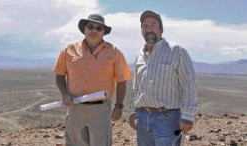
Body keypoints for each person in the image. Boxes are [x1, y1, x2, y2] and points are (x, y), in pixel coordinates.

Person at [53, 14, 131, 146]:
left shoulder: (114, 52)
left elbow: (121, 81)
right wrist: (64, 93)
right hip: (75, 108)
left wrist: (119, 106)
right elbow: (59, 75)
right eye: (90, 26)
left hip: (100, 111)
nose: (94, 30)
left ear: (103, 32)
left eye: (99, 28)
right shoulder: (69, 50)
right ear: (84, 29)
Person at [129, 10, 199, 146]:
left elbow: (189, 84)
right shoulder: (139, 55)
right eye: (145, 26)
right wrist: (133, 111)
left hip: (168, 119)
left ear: (161, 29)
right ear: (141, 31)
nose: (149, 29)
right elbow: (136, 87)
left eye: (153, 25)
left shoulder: (177, 51)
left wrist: (188, 115)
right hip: (143, 118)